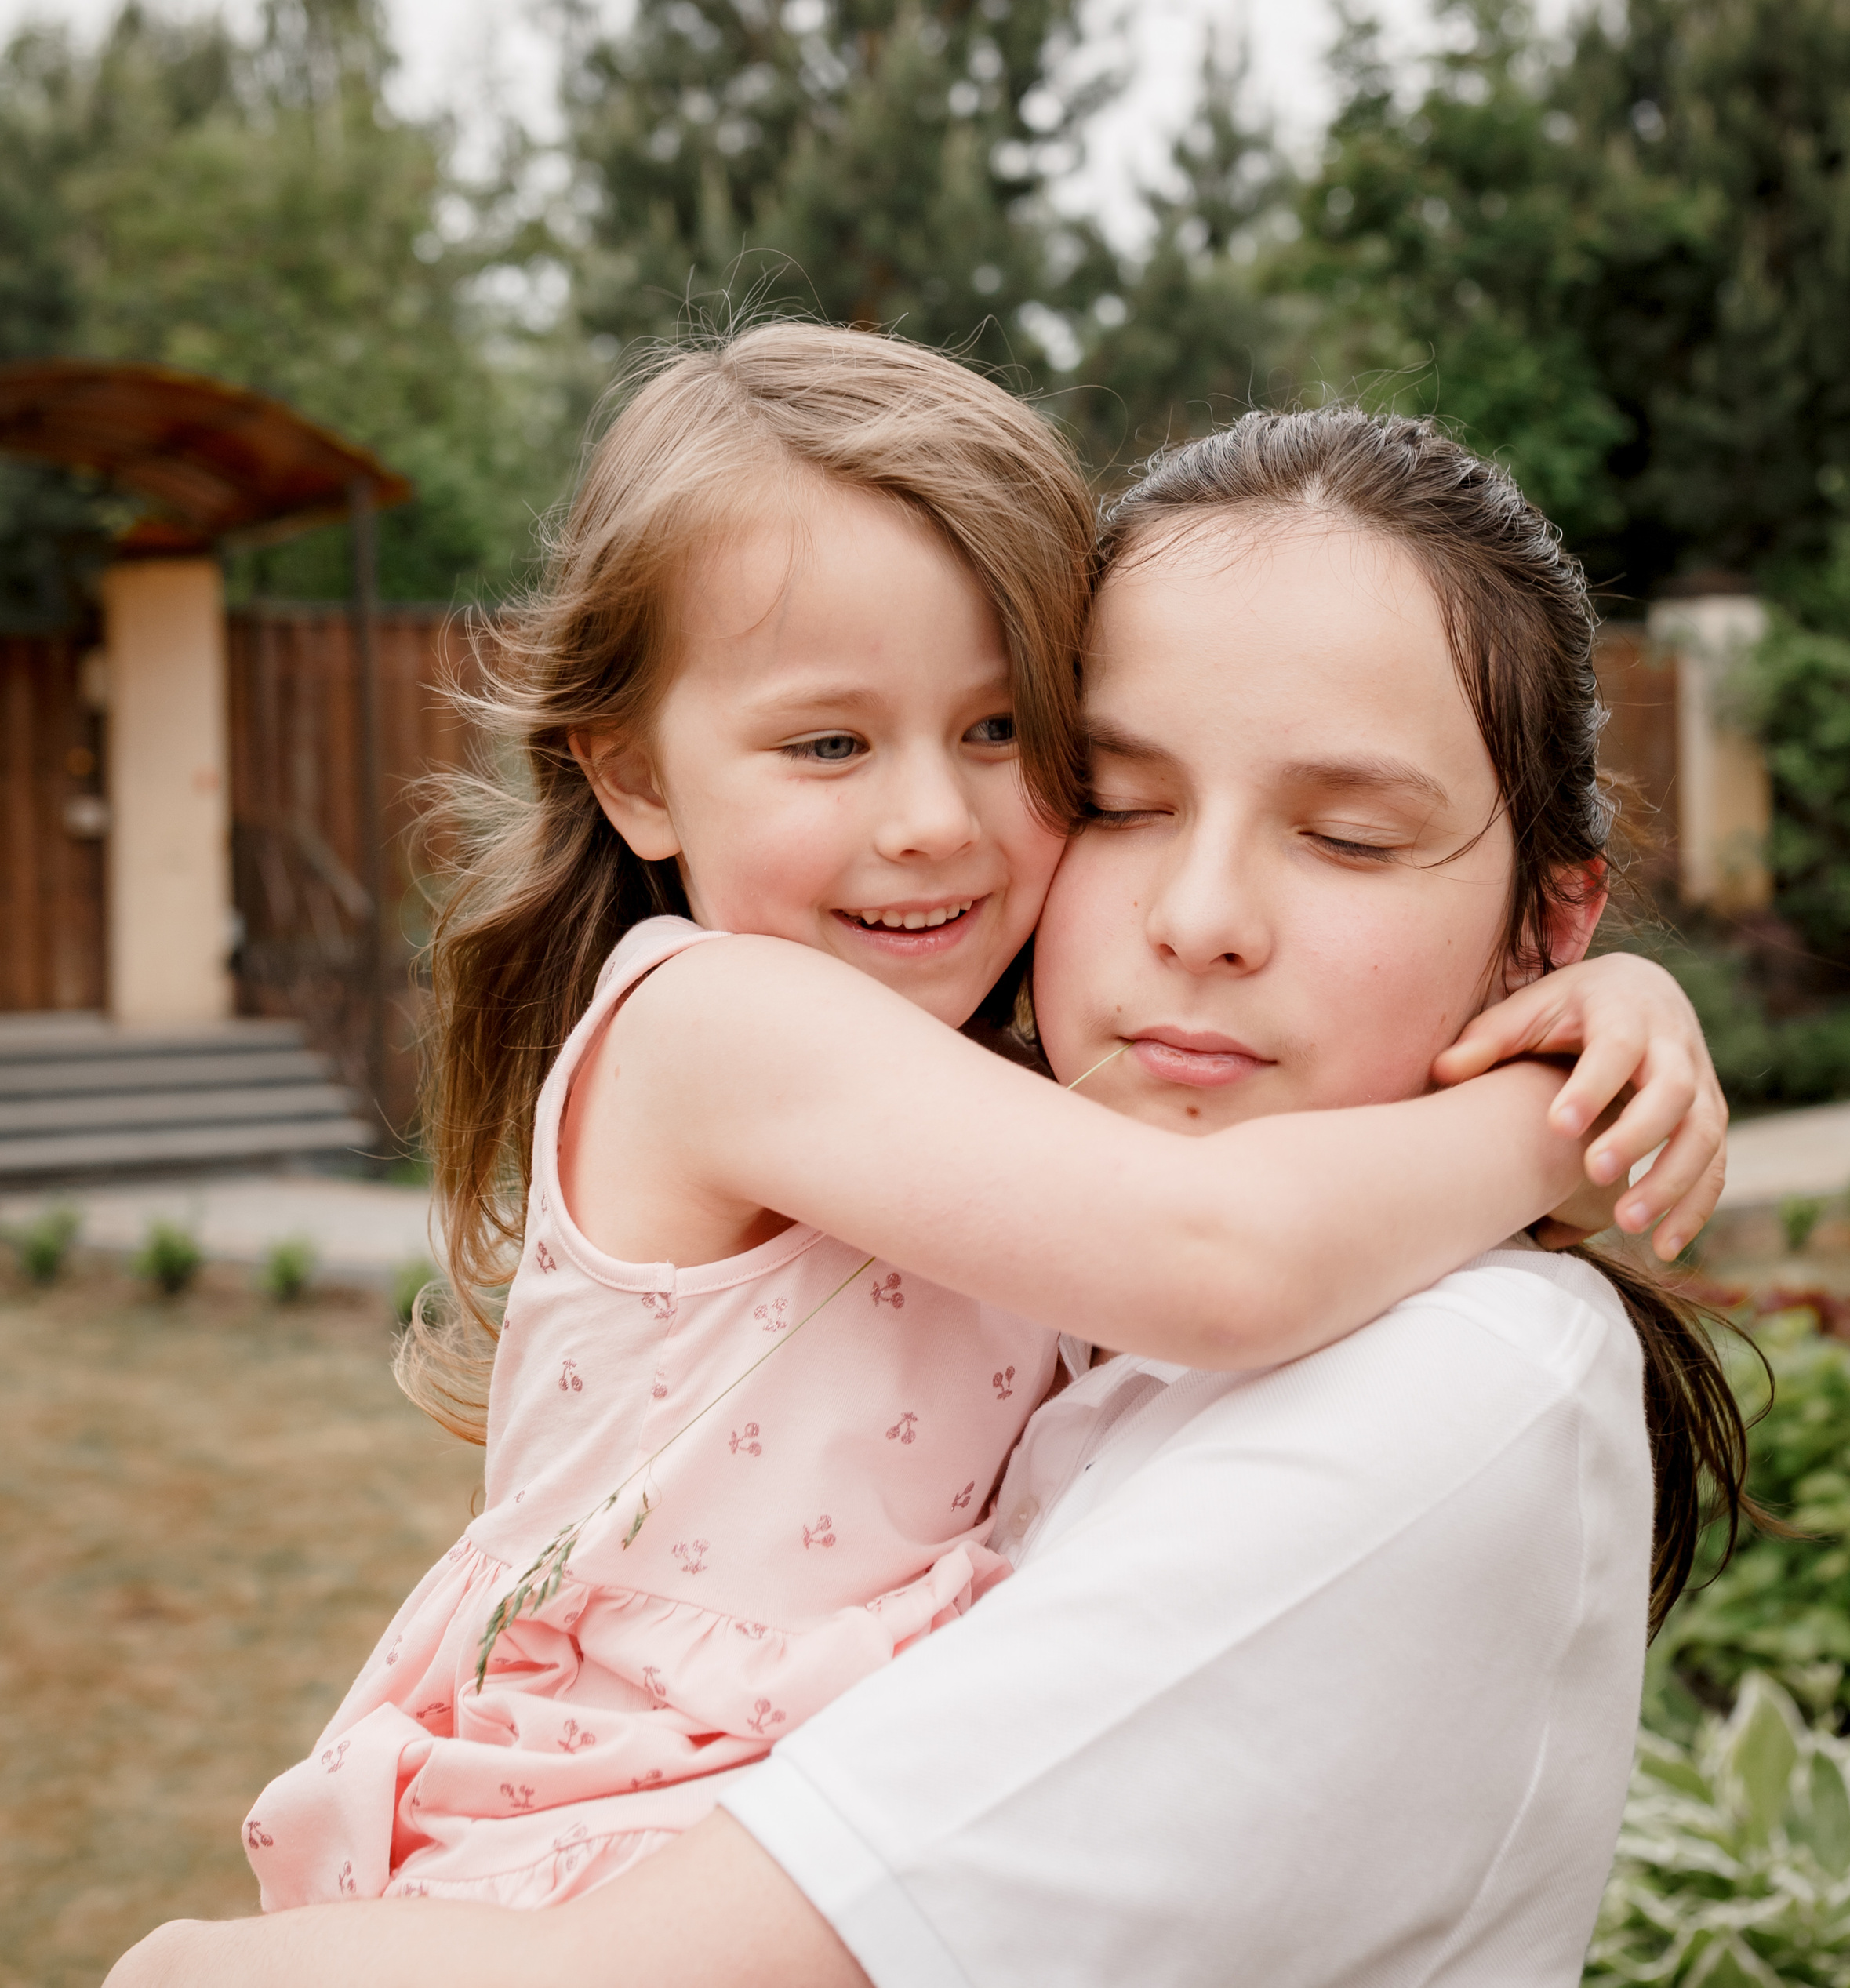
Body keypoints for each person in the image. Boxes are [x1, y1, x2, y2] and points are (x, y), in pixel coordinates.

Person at [108, 380, 1733, 1983]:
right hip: (605, 1812)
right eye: (1117, 799)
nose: (930, 818)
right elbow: (1221, 1253)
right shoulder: (729, 1021)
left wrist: (1617, 1012)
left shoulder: (1442, 1363)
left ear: (1550, 915)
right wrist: (1555, 1116)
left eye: (998, 740)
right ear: (635, 772)